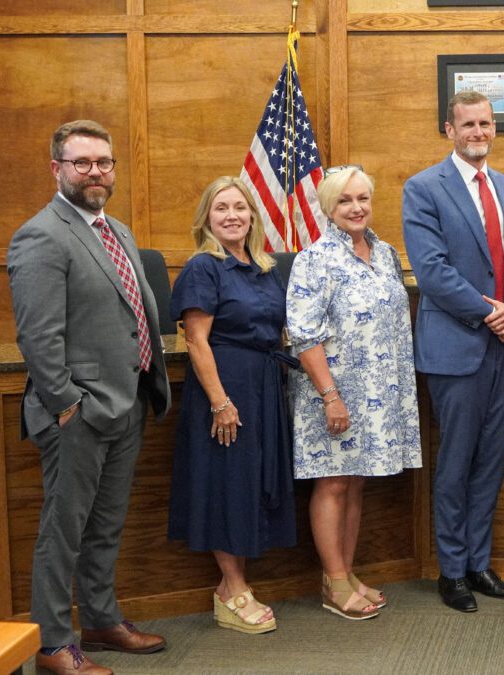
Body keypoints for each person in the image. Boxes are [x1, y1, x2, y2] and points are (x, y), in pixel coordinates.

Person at [8, 120, 171, 674]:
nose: (95, 172)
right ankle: (53, 644)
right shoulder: (40, 235)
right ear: (58, 169)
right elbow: (37, 336)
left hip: (126, 403)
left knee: (106, 525)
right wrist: (67, 404)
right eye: (82, 163)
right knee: (64, 529)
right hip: (77, 413)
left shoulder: (116, 229)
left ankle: (100, 620)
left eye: (104, 162)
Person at [402, 91, 504, 612]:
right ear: (448, 129)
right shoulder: (423, 188)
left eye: (485, 124)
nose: (478, 132)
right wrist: (490, 311)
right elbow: (432, 272)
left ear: (494, 128)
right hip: (457, 348)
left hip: (503, 347)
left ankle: (479, 563)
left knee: (489, 462)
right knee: (455, 463)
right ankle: (451, 570)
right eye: (468, 125)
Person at [287, 165, 422, 621]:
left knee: (356, 480)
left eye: (363, 198)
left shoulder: (383, 253)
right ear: (329, 206)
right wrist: (330, 395)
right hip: (332, 392)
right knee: (334, 481)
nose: (356, 208)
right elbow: (304, 335)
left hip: (377, 393)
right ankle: (335, 580)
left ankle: (344, 572)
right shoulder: (315, 258)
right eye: (345, 200)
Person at [167, 177, 297, 635]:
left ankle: (234, 586)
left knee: (249, 482)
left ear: (252, 216)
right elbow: (197, 342)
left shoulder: (263, 266)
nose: (232, 216)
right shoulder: (204, 267)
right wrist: (221, 403)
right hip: (224, 387)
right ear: (207, 218)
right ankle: (232, 587)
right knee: (225, 483)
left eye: (240, 207)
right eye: (221, 208)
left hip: (264, 384)